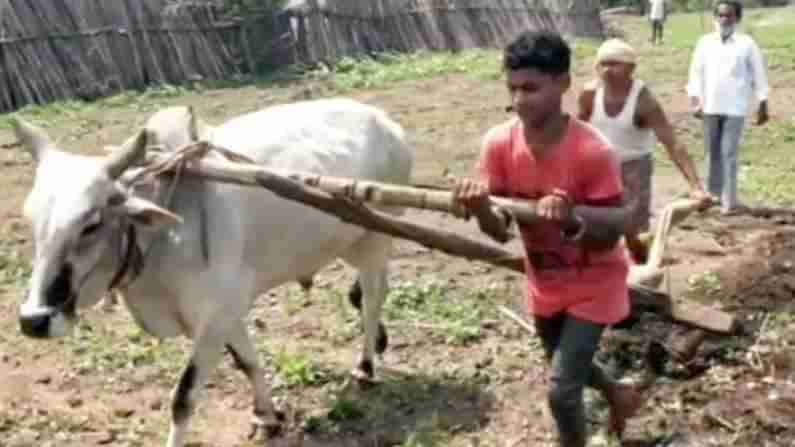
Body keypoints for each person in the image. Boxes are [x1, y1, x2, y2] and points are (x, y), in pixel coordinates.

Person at [453, 31, 642, 447]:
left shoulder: (592, 151)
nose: (521, 100)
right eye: (513, 89)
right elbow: (500, 231)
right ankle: (619, 393)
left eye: (532, 88)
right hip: (545, 281)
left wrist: (569, 217)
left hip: (595, 281)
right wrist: (483, 205)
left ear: (563, 83)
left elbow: (612, 230)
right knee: (563, 363)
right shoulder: (499, 144)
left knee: (561, 391)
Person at [578, 38, 708, 263]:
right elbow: (576, 132)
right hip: (598, 168)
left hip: (634, 169)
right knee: (597, 227)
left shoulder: (644, 101)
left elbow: (672, 143)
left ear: (631, 68)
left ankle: (641, 268)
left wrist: (696, 187)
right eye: (603, 64)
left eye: (615, 64)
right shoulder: (589, 94)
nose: (607, 70)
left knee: (636, 232)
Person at [687, 0, 770, 215]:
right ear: (715, 17)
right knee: (711, 152)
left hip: (735, 107)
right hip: (710, 105)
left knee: (729, 153)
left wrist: (763, 102)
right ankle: (713, 195)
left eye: (729, 16)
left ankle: (729, 201)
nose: (724, 20)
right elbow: (696, 72)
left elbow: (758, 73)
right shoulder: (705, 42)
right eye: (721, 15)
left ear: (737, 19)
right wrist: (695, 98)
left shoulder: (746, 44)